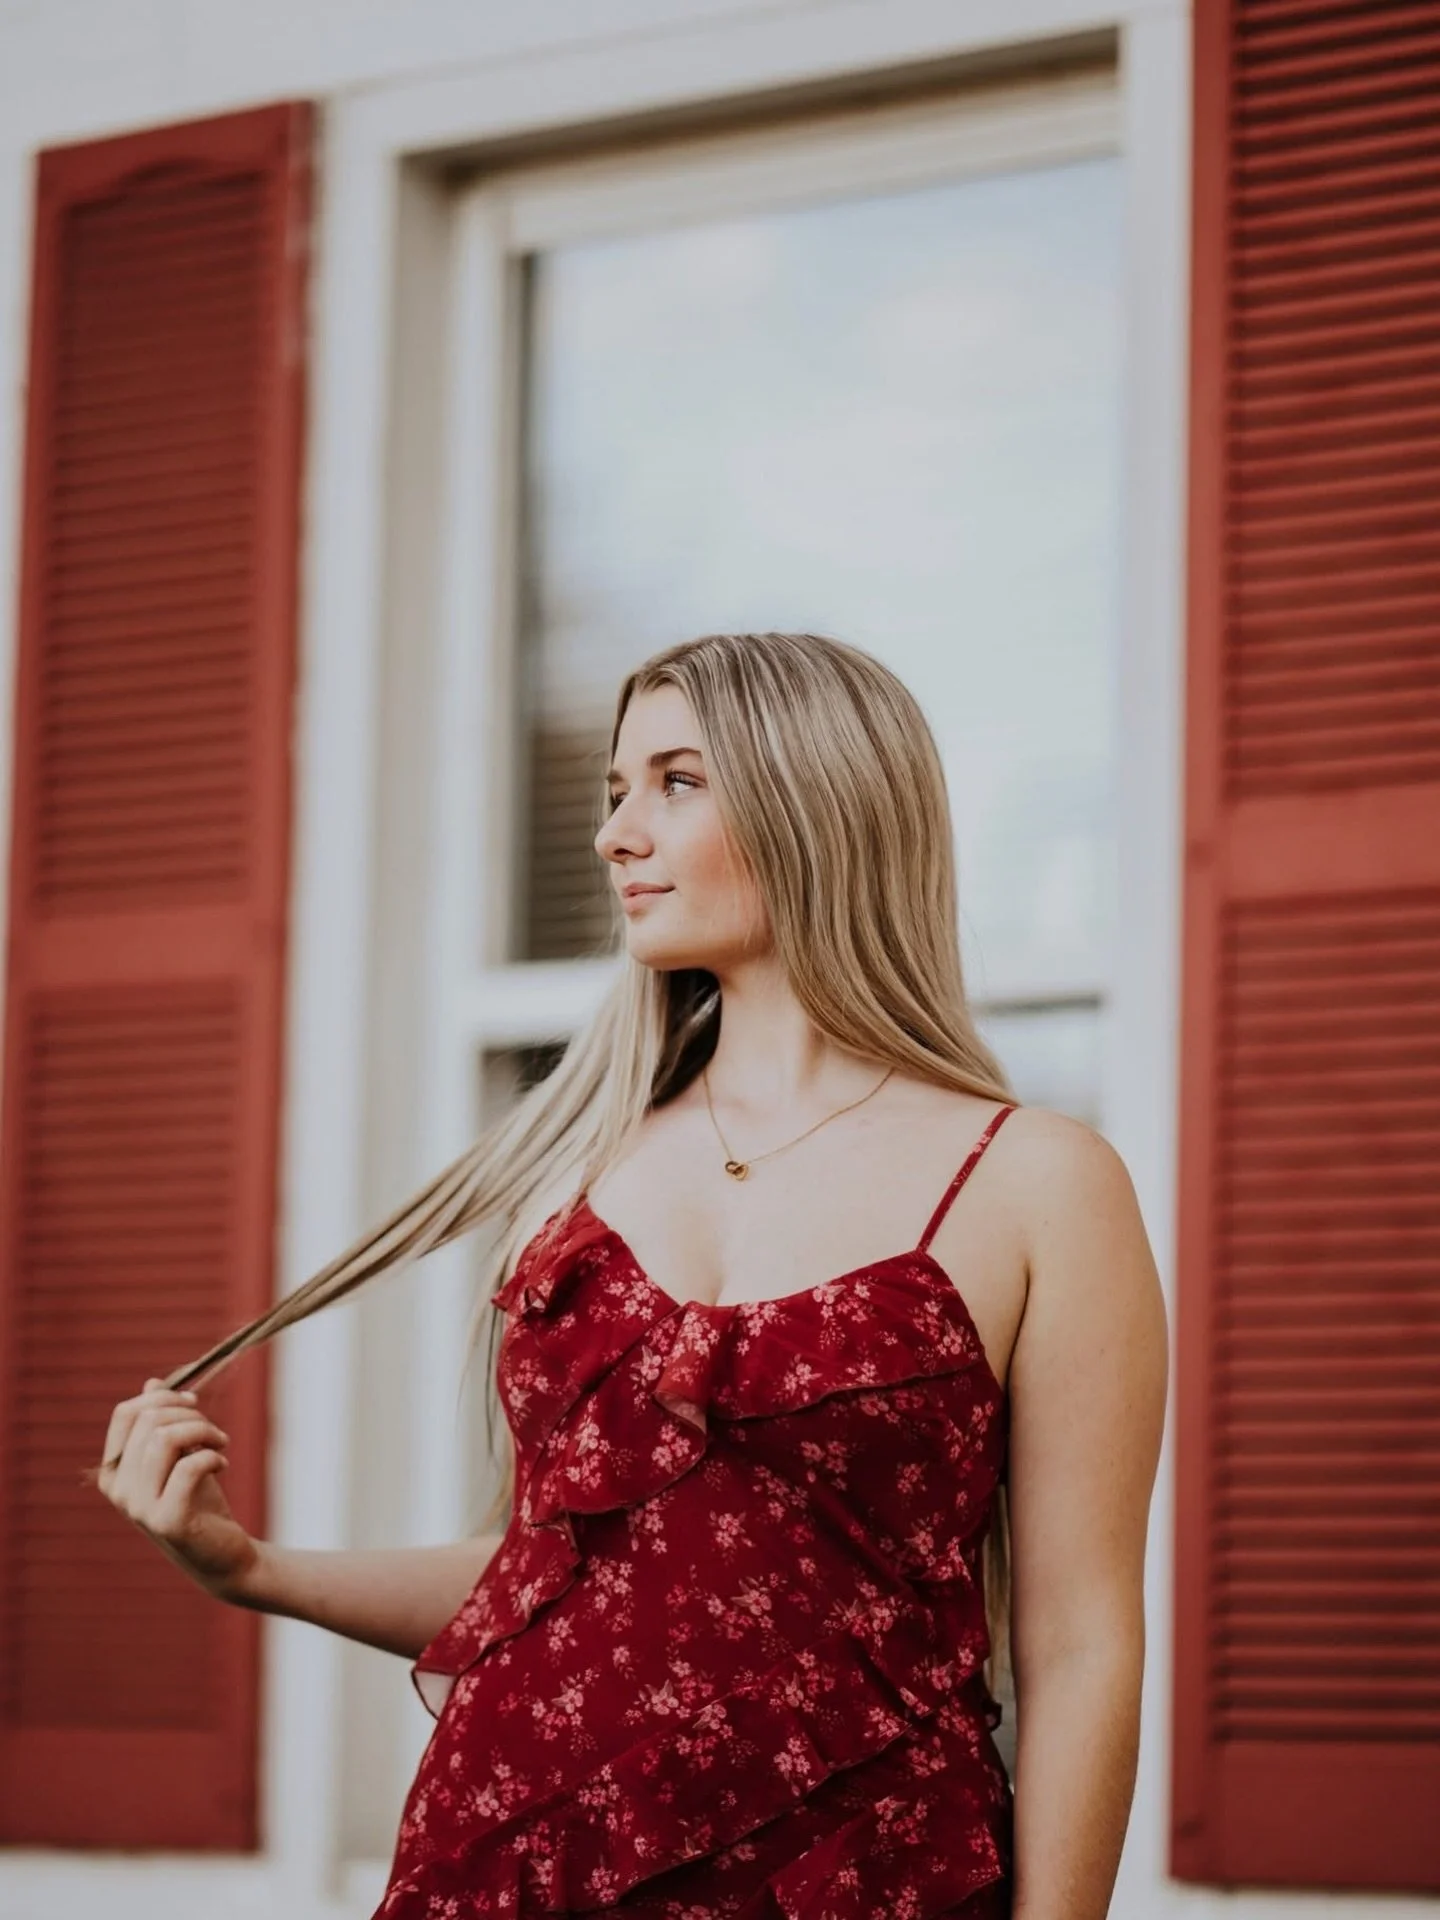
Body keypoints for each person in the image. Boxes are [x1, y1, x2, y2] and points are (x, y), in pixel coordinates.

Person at [98, 631, 1169, 1918]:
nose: (613, 835)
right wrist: (249, 1566)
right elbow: (543, 1572)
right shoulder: (577, 1174)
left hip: (866, 1881)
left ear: (814, 798)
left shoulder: (1038, 1182)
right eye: (613, 791)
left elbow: (1083, 1643)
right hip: (507, 1862)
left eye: (673, 781)